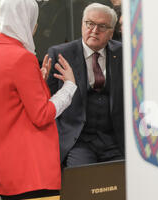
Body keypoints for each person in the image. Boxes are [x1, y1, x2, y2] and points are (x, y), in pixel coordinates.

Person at [0, 0, 77, 200]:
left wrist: (37, 81)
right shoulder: (22, 58)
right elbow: (42, 115)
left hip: (3, 168)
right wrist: (69, 87)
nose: (36, 26)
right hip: (29, 170)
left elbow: (12, 103)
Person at [47, 3, 125, 167]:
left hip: (114, 138)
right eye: (90, 24)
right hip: (78, 140)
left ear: (111, 33)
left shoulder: (123, 53)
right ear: (82, 25)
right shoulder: (61, 54)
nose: (94, 30)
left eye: (102, 26)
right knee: (82, 182)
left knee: (121, 182)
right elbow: (48, 102)